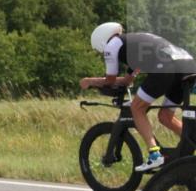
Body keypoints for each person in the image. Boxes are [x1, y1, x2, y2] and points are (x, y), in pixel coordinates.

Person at [81, 23, 196, 172]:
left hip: (166, 66)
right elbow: (127, 81)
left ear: (101, 42)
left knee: (137, 108)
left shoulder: (112, 45)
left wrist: (89, 81)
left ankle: (154, 154)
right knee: (165, 116)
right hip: (188, 66)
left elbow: (110, 80)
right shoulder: (133, 45)